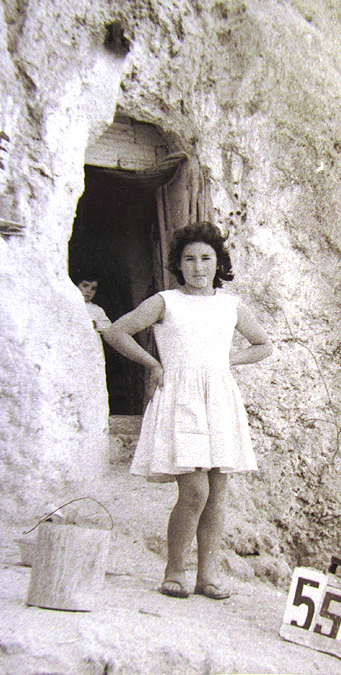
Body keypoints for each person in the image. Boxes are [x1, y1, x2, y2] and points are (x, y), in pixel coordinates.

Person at [103, 221, 273, 600]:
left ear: (218, 263)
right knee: (194, 490)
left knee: (216, 492)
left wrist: (232, 360)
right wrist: (153, 364)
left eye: (206, 258)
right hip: (181, 400)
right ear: (179, 265)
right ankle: (175, 570)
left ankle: (207, 576)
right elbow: (116, 332)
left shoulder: (231, 306)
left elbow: (263, 344)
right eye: (189, 259)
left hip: (219, 401)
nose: (198, 266)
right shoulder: (167, 302)